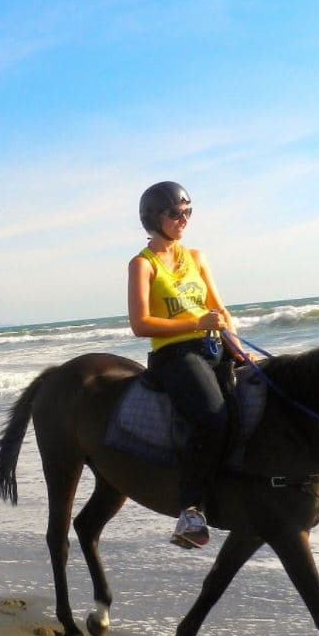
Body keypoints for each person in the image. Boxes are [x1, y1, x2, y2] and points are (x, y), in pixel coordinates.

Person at [127, 182, 238, 549]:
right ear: (153, 217)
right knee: (212, 414)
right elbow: (140, 324)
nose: (183, 219)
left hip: (212, 345)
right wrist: (196, 323)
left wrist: (236, 345)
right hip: (174, 355)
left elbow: (220, 311)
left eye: (188, 212)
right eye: (175, 213)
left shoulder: (197, 257)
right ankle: (190, 510)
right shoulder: (142, 265)